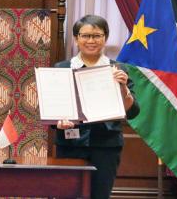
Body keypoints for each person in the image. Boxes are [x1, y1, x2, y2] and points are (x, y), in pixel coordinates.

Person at [54, 15, 140, 199]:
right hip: (70, 145)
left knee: (100, 195)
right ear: (76, 39)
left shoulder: (118, 70)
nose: (91, 41)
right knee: (67, 195)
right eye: (85, 36)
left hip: (106, 146)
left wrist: (123, 86)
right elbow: (53, 110)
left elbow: (132, 111)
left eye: (97, 35)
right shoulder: (62, 68)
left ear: (105, 38)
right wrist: (58, 121)